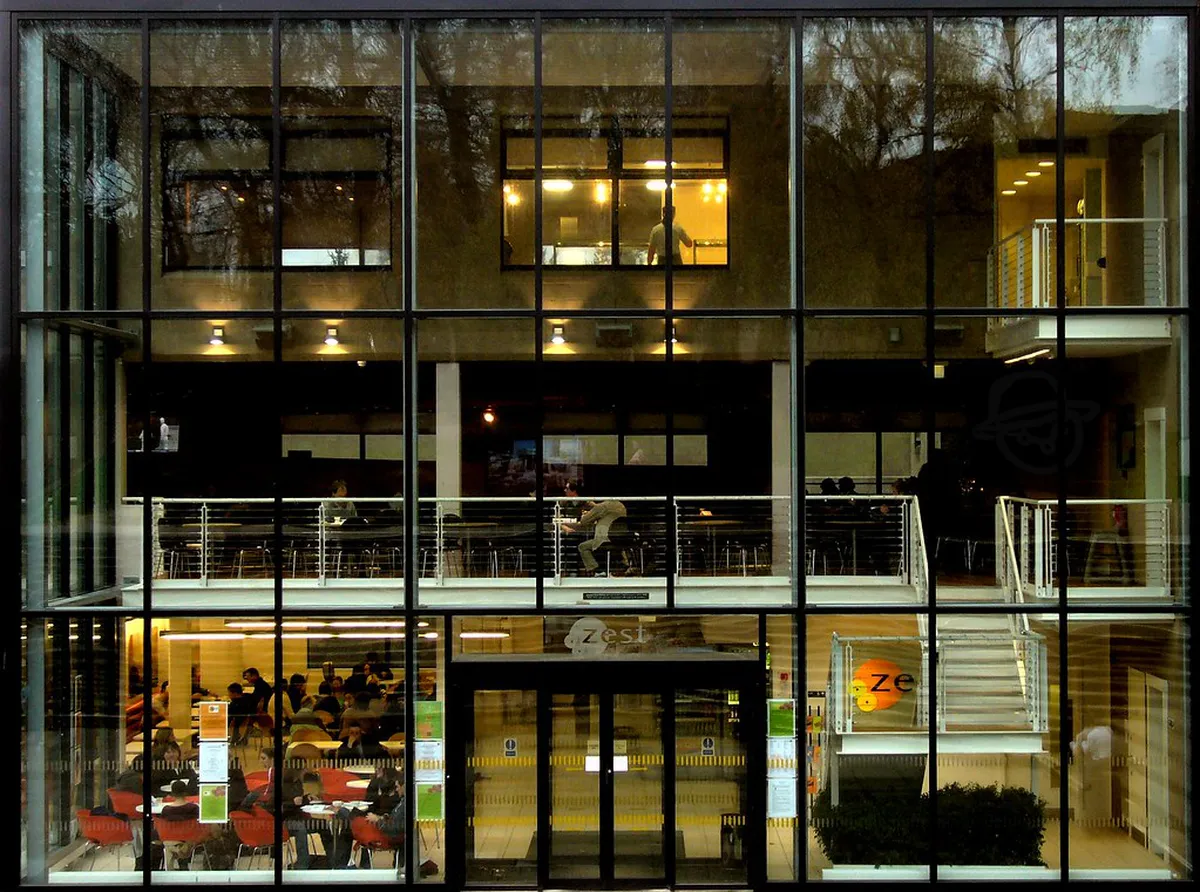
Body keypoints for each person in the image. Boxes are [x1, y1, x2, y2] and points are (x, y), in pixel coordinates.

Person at [562, 491, 627, 577]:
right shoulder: (621, 505)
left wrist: (586, 514)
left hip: (605, 539)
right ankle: (617, 564)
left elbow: (584, 521)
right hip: (622, 539)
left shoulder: (603, 506)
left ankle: (598, 571)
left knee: (582, 547)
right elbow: (607, 515)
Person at [159, 779, 200, 869]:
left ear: (172, 793)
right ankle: (183, 865)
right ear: (185, 792)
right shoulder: (193, 808)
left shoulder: (166, 810)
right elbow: (197, 826)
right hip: (188, 840)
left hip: (169, 839)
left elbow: (163, 827)